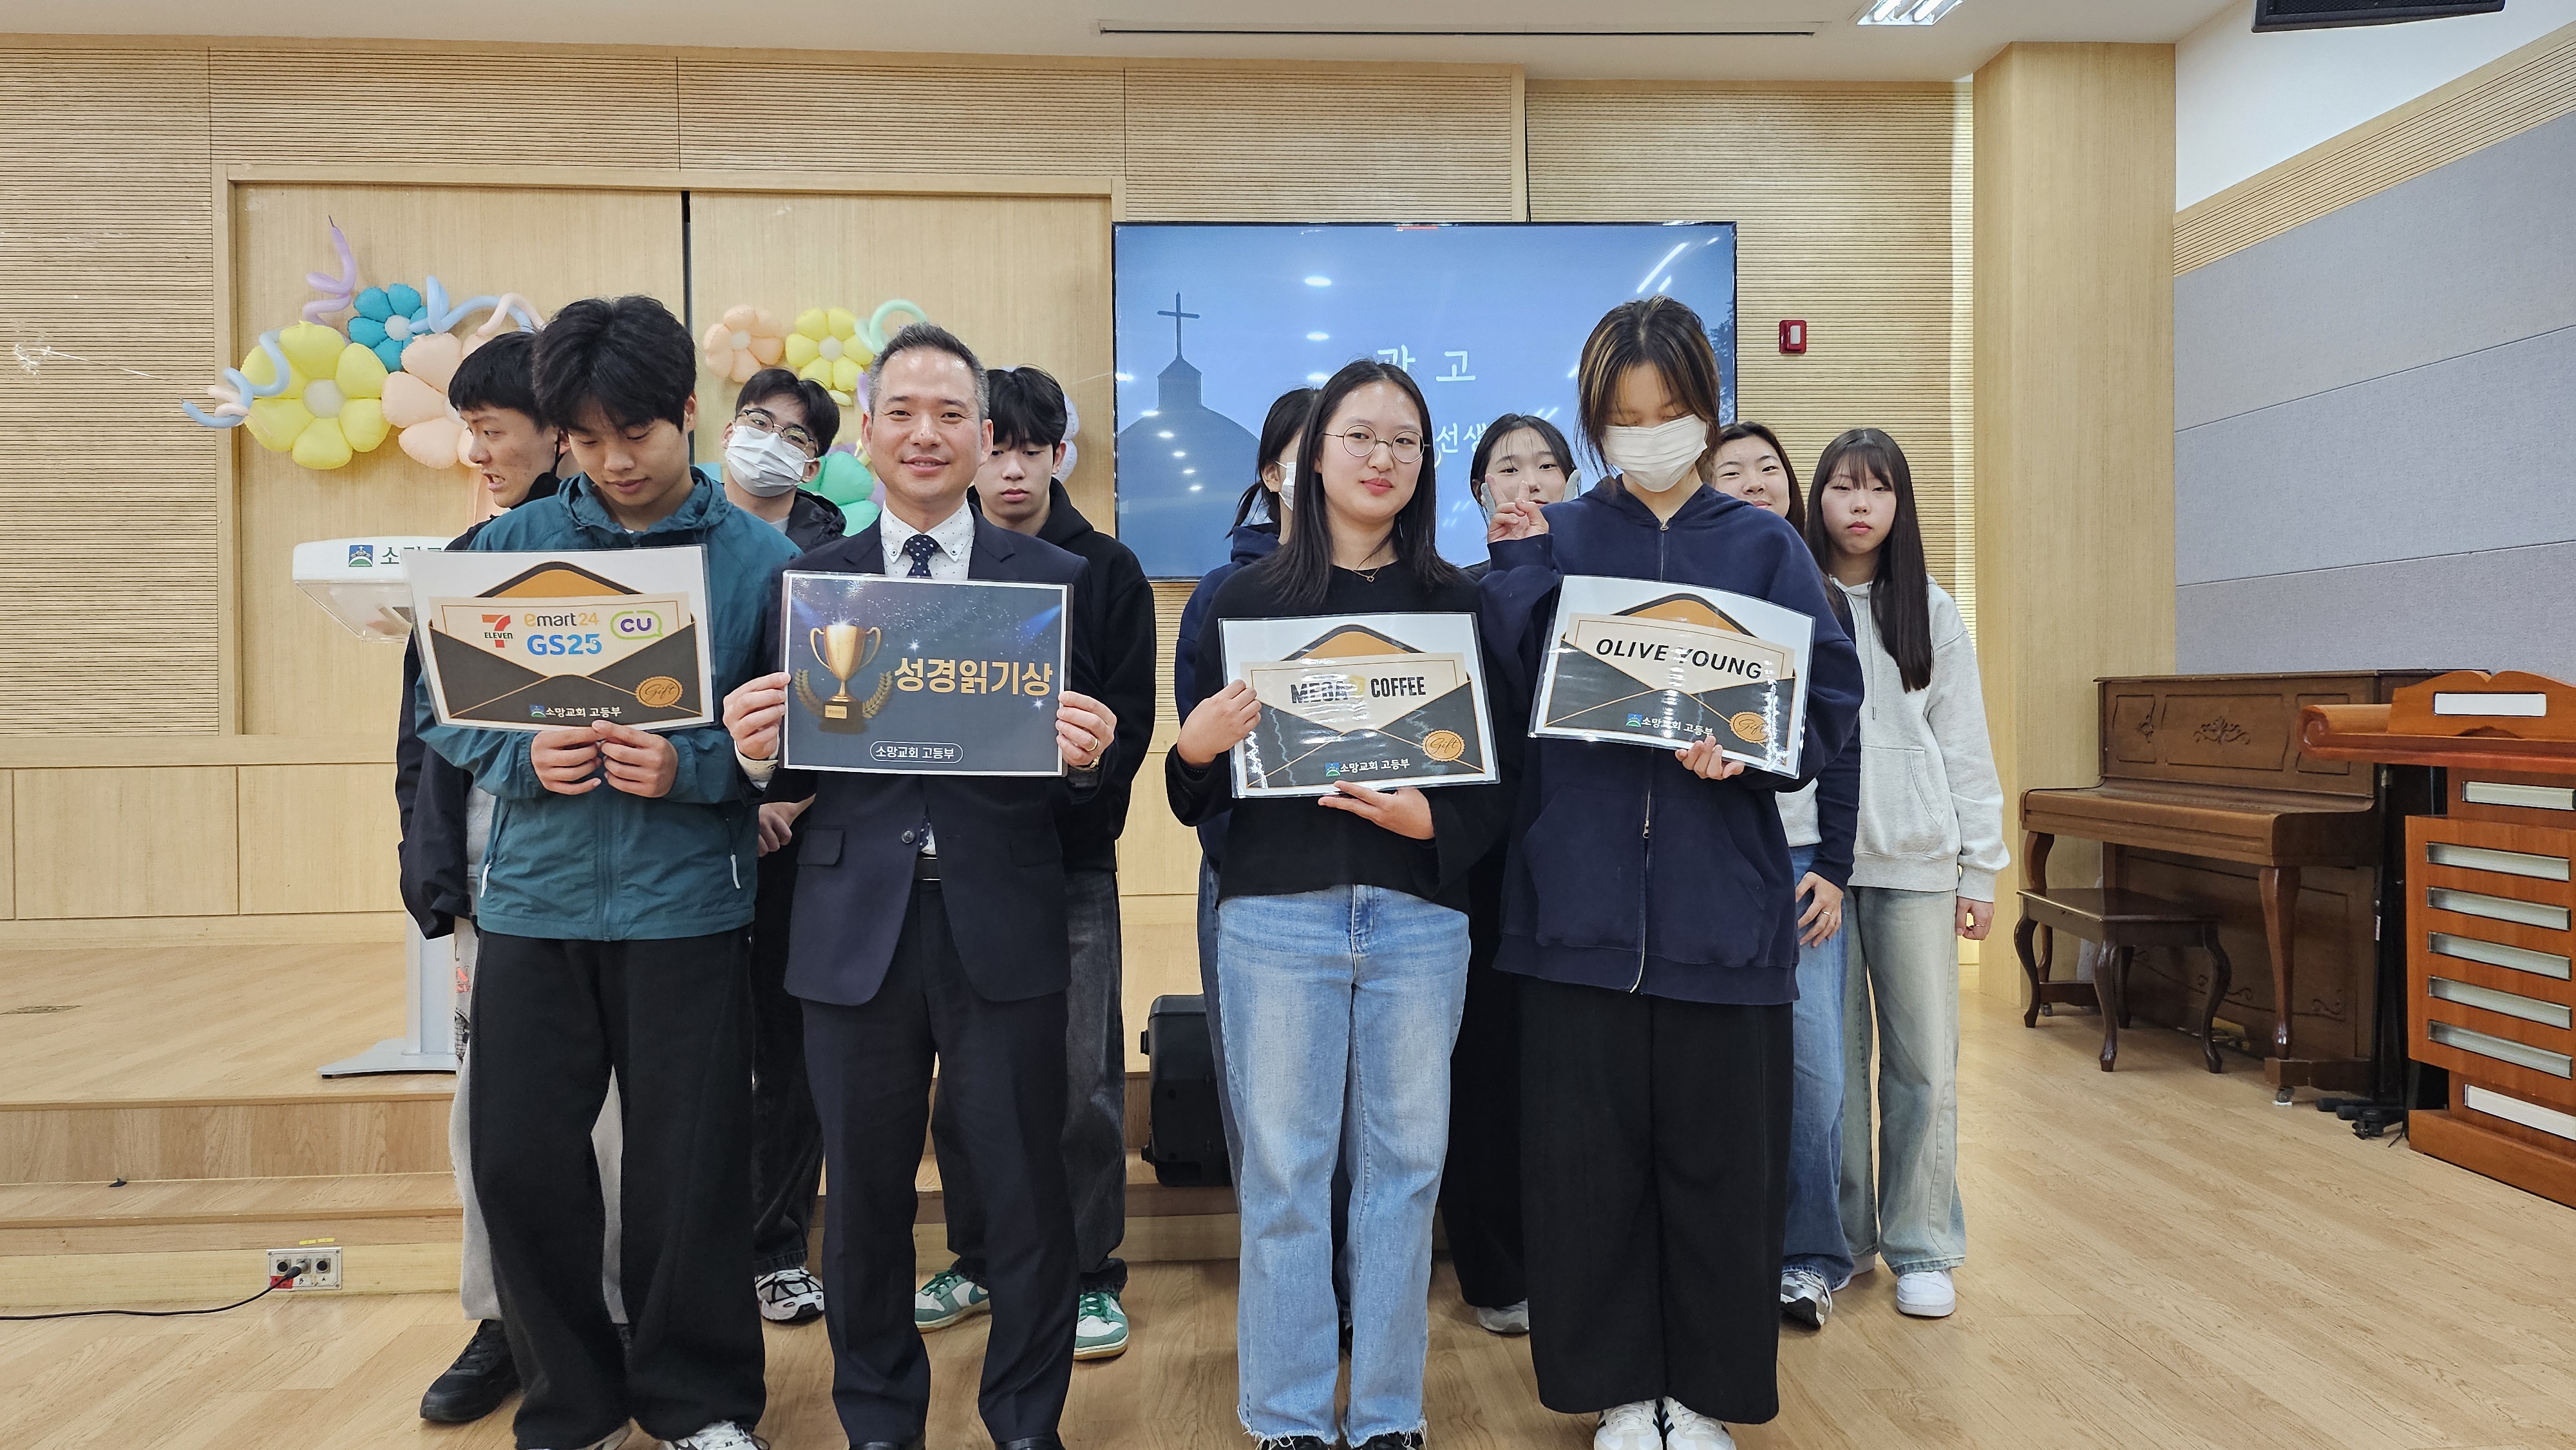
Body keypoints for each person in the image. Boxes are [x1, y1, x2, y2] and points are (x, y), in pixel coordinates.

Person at [720, 323, 1122, 1450]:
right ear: (867, 433)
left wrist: (1088, 760)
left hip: (1004, 918)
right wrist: (751, 753)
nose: (927, 434)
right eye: (902, 412)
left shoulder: (1054, 582)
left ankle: (1026, 1421)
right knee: (864, 1200)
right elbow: (786, 772)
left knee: (1025, 1190)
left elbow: (1087, 790)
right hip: (852, 927)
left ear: (986, 436)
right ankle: (880, 1421)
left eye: (951, 414)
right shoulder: (808, 582)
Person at [1481, 297, 1862, 1450]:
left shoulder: (1763, 545)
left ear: (1708, 408)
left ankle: (1697, 1394)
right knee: (1586, 1170)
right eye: (1625, 417)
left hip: (1721, 915)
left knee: (1719, 1168)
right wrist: (1515, 567)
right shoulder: (1560, 535)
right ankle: (1618, 1389)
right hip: (1576, 909)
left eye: (1671, 412)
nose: (1649, 435)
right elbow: (1504, 696)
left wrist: (1755, 745)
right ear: (1595, 421)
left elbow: (1829, 697)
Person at [415, 294, 793, 1450]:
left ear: (688, 413)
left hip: (689, 909)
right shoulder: (505, 550)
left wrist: (691, 768)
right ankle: (570, 1401)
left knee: (691, 1170)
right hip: (534, 905)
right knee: (521, 1161)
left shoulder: (764, 562)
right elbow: (442, 713)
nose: (615, 461)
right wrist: (519, 758)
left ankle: (701, 1401)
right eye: (586, 439)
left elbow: (795, 747)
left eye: (637, 433)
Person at [1170, 359, 1508, 1450]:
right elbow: (1195, 793)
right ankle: (1286, 1416)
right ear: (1312, 457)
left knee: (1406, 1176)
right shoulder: (1241, 601)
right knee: (1284, 1175)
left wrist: (1431, 824)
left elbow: (1502, 784)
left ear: (1425, 463)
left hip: (1419, 918)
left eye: (1405, 440)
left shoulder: (1459, 603)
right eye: (1359, 435)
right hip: (1275, 917)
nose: (1382, 457)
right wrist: (1196, 748)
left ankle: (1389, 1415)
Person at [398, 330, 633, 1427]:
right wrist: (433, 871)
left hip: (636, 892)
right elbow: (427, 740)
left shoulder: (643, 560)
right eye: (471, 432)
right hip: (501, 889)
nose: (478, 453)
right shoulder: (468, 561)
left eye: (493, 431)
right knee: (490, 1123)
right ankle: (504, 1319)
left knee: (622, 1128)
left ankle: (619, 1322)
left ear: (562, 433)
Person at [919, 365, 1155, 1361]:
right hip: (957, 866)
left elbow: (1129, 725)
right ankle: (977, 1257)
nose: (1012, 469)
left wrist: (1079, 782)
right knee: (964, 1085)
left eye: (1033, 448)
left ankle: (1090, 1270)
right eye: (997, 447)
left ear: (1062, 453)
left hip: (1068, 865)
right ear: (972, 449)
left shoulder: (1106, 568)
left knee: (1082, 1081)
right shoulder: (936, 563)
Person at [1808, 426, 2005, 1324]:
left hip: (1919, 864)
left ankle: (1923, 1246)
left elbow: (1964, 745)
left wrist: (1980, 870)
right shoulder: (1794, 595)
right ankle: (1845, 1239)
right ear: (1817, 497)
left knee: (1925, 1065)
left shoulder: (1932, 607)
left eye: (1879, 488)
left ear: (1900, 503)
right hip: (1820, 867)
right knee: (1836, 1071)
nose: (1860, 505)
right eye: (1844, 486)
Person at [1709, 422, 1863, 1330]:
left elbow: (1843, 745)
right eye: (1731, 471)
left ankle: (1807, 1256)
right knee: (1723, 1070)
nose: (1754, 482)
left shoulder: (1816, 593)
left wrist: (1835, 866)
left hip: (1801, 862)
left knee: (1813, 1070)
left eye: (1768, 468)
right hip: (1711, 853)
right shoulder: (1682, 592)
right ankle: (1731, 1250)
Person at [1439, 411, 1584, 1342]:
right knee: (1486, 1064)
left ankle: (1577, 1261)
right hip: (1486, 862)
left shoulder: (1606, 590)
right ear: (1479, 489)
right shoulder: (1457, 593)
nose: (1526, 483)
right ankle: (1494, 1269)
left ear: (1573, 483)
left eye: (1545, 468)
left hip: (1582, 859)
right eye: (1506, 468)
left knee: (1575, 1071)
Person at [712, 366, 851, 1328]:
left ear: (815, 463)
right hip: (689, 831)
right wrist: (732, 792)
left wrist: (787, 802)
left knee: (790, 1054)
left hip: (798, 841)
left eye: (794, 435)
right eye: (756, 421)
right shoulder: (677, 541)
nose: (768, 441)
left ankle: (775, 1246)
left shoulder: (834, 561)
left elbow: (856, 710)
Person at [1171, 385, 1311, 1177]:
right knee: (1266, 1113)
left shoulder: (1404, 592)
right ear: (1270, 474)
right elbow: (1201, 748)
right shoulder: (1226, 593)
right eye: (1307, 453)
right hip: (1252, 877)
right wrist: (1244, 855)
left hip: (1378, 877)